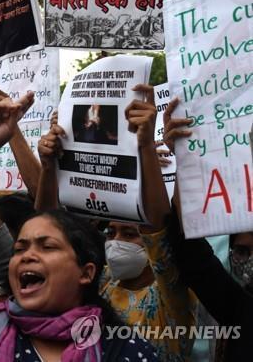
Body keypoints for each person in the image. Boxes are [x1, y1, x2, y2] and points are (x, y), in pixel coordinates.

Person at [0, 94, 157, 361]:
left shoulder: (125, 352)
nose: (27, 256)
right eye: (20, 248)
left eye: (47, 246)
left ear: (86, 272)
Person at [36, 85, 195, 361]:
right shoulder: (102, 285)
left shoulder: (170, 296)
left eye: (130, 233)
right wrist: (51, 166)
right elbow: (49, 233)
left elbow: (159, 231)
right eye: (111, 232)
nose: (116, 240)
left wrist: (144, 146)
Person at [163, 99, 252, 361]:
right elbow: (191, 253)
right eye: (242, 252)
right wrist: (184, 156)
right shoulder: (241, 311)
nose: (249, 262)